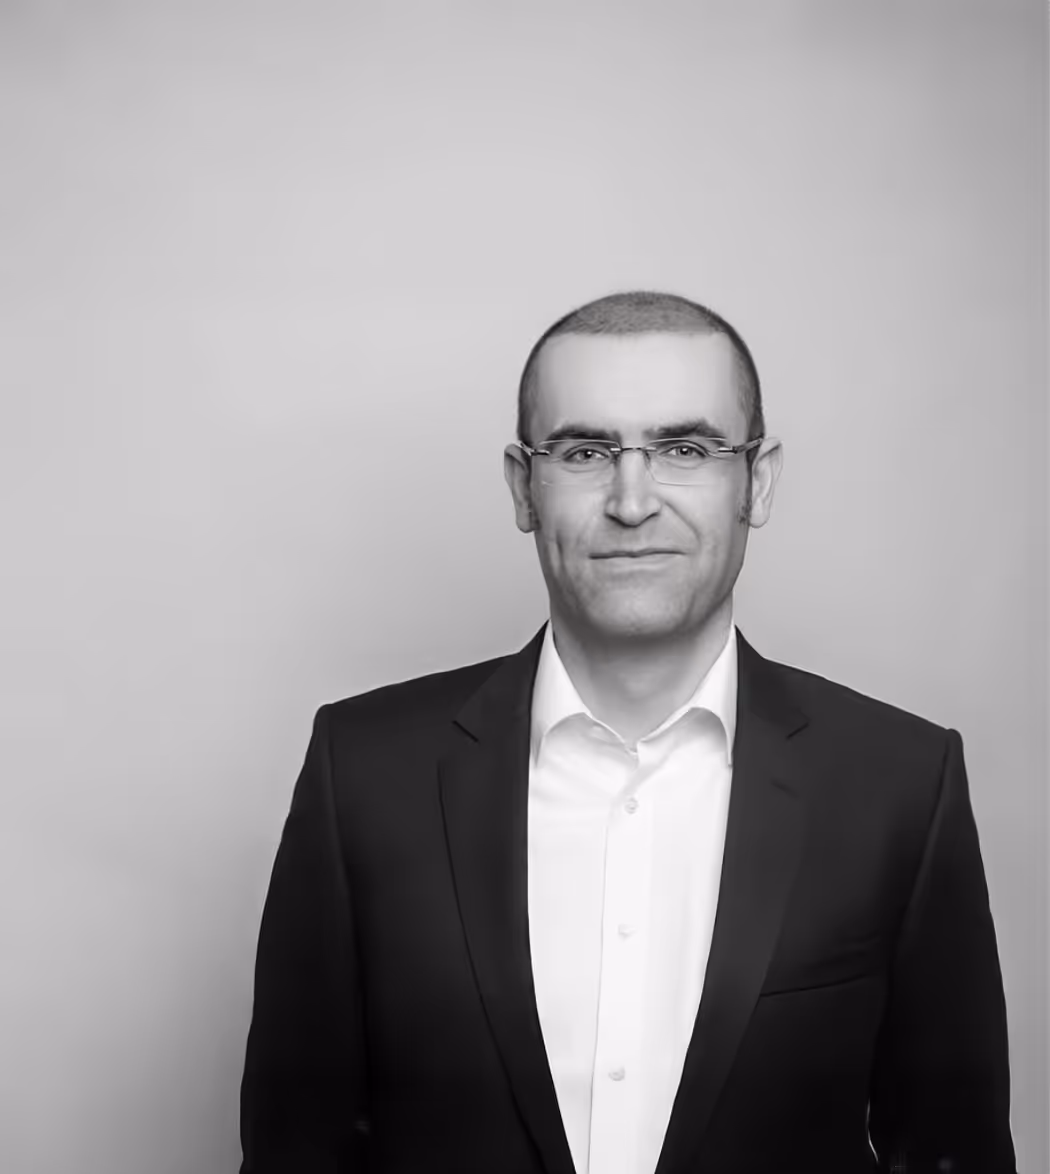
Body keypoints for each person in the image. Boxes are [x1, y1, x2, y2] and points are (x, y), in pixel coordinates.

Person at [238, 291, 1017, 1174]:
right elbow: (294, 1152)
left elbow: (955, 1154)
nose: (633, 500)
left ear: (755, 482)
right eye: (584, 451)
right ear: (523, 485)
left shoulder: (901, 785)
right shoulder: (363, 775)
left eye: (685, 449)